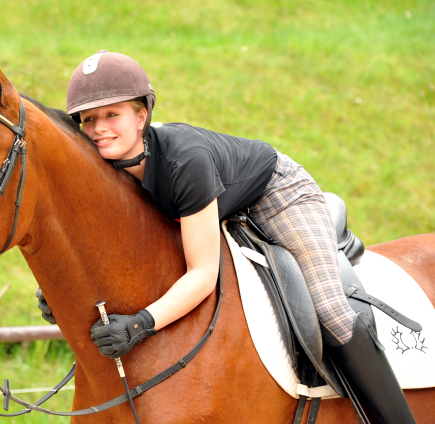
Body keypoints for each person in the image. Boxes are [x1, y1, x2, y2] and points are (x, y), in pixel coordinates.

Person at [38, 50, 415, 423]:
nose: (99, 128)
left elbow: (203, 275)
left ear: (141, 116)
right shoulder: (110, 169)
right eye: (88, 120)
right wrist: (63, 290)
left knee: (331, 312)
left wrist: (140, 323)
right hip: (214, 202)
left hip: (279, 195)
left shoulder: (185, 161)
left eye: (111, 114)